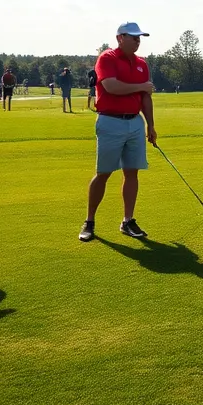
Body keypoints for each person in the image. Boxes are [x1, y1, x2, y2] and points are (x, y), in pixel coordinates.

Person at [79, 23, 157, 242]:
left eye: (139, 37)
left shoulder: (142, 63)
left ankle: (128, 221)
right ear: (120, 37)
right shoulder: (107, 58)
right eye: (133, 37)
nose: (137, 40)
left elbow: (145, 98)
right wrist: (142, 87)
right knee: (103, 173)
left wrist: (150, 125)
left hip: (135, 123)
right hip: (110, 121)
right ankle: (90, 221)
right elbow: (111, 86)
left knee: (132, 172)